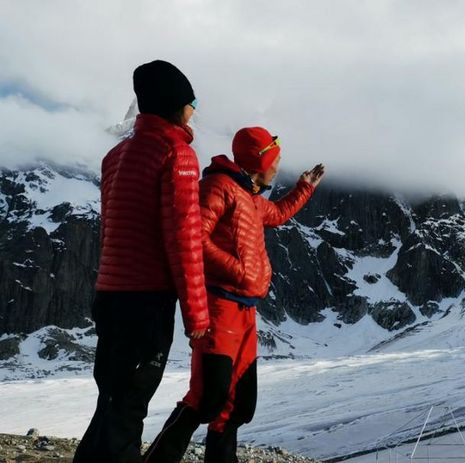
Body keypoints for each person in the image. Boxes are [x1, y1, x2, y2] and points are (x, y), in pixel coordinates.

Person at [144, 127, 325, 463]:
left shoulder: (251, 197)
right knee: (207, 398)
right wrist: (239, 270)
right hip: (219, 305)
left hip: (245, 311)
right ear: (259, 163)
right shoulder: (218, 187)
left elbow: (278, 214)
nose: (277, 168)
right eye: (275, 162)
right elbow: (194, 237)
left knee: (239, 405)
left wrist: (304, 189)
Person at [73, 60, 210, 463]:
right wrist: (197, 317)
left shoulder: (114, 156)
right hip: (146, 302)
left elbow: (109, 231)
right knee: (130, 408)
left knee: (111, 402)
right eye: (192, 101)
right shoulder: (177, 154)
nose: (195, 109)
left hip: (111, 297)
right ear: (175, 105)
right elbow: (183, 238)